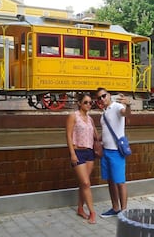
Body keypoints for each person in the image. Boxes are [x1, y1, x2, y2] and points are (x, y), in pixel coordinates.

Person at [96, 87, 131, 218]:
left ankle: (124, 211)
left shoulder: (117, 107)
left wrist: (128, 105)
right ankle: (115, 208)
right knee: (110, 181)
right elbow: (105, 131)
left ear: (109, 95)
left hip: (116, 151)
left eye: (103, 96)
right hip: (106, 151)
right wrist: (96, 139)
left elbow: (125, 113)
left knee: (120, 182)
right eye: (99, 98)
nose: (102, 99)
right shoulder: (104, 112)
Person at [66, 93, 99, 224]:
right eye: (86, 102)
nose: (89, 105)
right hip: (78, 152)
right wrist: (72, 154)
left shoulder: (90, 119)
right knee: (86, 183)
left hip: (89, 152)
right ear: (79, 103)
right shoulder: (73, 116)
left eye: (90, 103)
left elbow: (96, 135)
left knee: (83, 183)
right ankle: (92, 212)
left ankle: (80, 208)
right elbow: (68, 136)